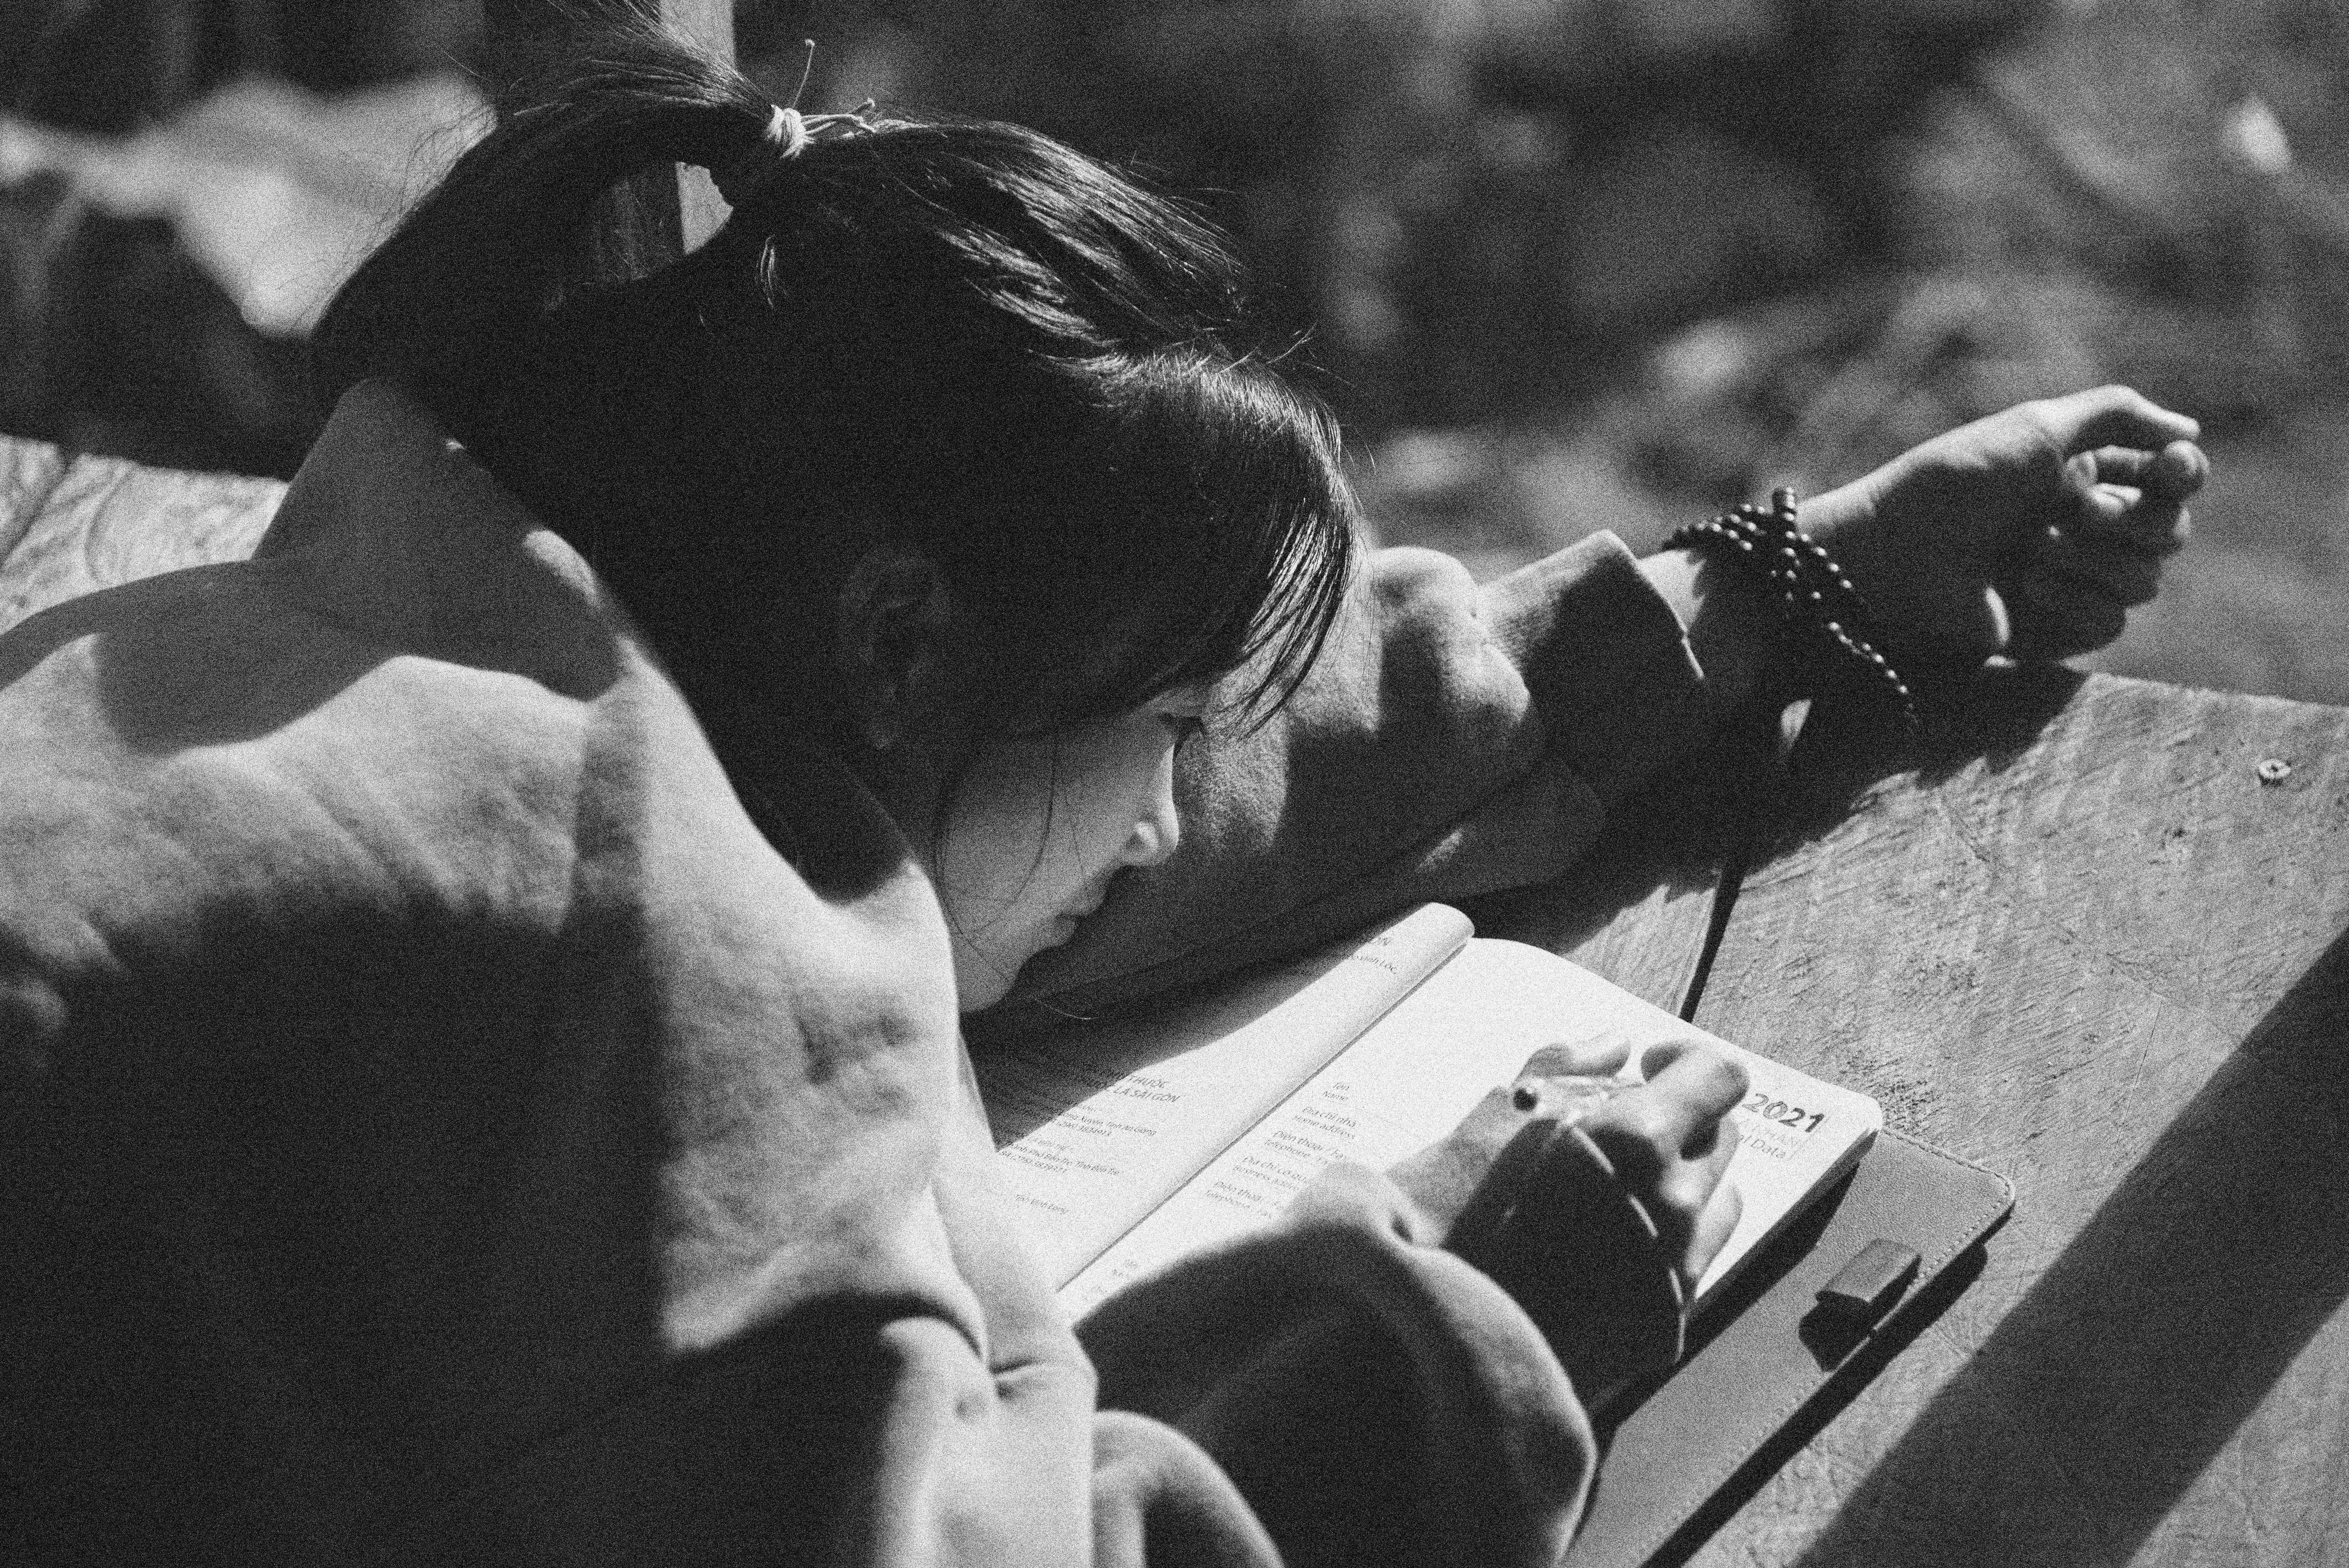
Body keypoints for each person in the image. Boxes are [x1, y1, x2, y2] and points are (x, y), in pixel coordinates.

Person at [0, 21, 2206, 1568]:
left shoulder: (362, 629)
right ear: (893, 640)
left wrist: (1757, 590)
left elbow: (1132, 814)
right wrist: (1471, 1338)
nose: (1170, 826)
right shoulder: (662, 1011)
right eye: (1156, 733)